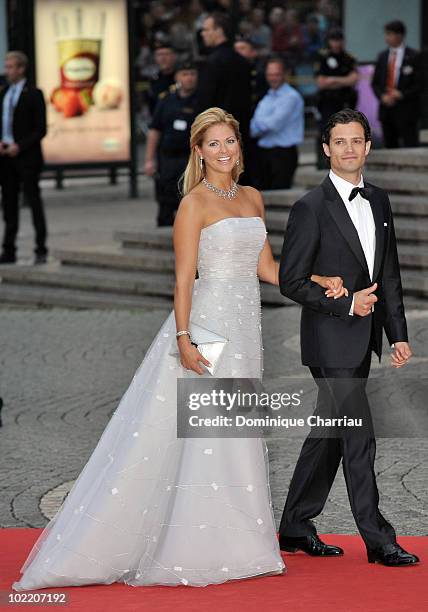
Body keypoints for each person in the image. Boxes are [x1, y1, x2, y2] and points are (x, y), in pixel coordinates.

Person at [12, 107, 347, 590]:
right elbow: (183, 281)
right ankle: (193, 545)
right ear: (198, 151)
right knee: (198, 434)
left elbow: (269, 269)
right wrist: (184, 338)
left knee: (235, 431)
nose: (223, 151)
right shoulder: (193, 204)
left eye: (229, 141)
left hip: (246, 328)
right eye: (212, 144)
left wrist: (316, 278)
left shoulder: (252, 198)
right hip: (208, 327)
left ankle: (239, 542)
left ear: (239, 145)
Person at [278, 109, 420, 567]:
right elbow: (291, 280)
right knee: (360, 436)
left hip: (364, 339)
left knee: (329, 435)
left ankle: (296, 525)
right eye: (339, 142)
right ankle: (379, 540)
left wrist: (397, 333)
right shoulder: (309, 207)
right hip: (329, 340)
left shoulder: (379, 200)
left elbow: (389, 274)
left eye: (356, 141)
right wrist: (345, 303)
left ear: (368, 147)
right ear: (325, 148)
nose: (349, 149)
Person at [0, 51, 48, 265]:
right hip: (5, 157)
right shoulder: (4, 93)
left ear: (21, 69)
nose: (7, 71)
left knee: (33, 201)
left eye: (11, 67)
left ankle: (41, 247)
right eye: (6, 66)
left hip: (26, 157)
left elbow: (40, 129)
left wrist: (19, 146)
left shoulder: (33, 94)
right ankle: (8, 249)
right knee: (9, 204)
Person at [197, 12, 252, 182]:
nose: (202, 33)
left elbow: (205, 103)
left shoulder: (213, 62)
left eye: (206, 29)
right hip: (239, 134)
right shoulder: (242, 62)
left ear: (218, 31)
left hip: (216, 135)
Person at [144, 60, 198, 227]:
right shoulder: (167, 99)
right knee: (165, 199)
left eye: (192, 74)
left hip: (189, 157)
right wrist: (149, 159)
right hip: (167, 158)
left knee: (188, 199)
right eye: (184, 74)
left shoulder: (202, 100)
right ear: (177, 77)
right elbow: (155, 130)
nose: (189, 78)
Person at [250, 56, 304, 189]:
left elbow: (273, 124)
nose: (273, 78)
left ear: (285, 74)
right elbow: (255, 121)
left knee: (279, 195)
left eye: (277, 74)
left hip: (283, 154)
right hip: (264, 153)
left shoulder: (291, 97)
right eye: (270, 75)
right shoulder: (267, 96)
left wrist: (257, 126)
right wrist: (258, 126)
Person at [371, 20, 422, 148]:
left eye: (389, 34)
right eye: (386, 34)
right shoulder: (382, 56)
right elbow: (375, 83)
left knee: (410, 145)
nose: (386, 38)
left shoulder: (414, 56)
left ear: (399, 35)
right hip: (387, 109)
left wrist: (401, 94)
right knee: (389, 145)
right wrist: (382, 96)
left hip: (407, 110)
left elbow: (420, 84)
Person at [314, 28, 358, 168]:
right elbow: (321, 82)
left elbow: (353, 80)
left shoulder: (348, 58)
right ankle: (324, 163)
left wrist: (333, 80)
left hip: (344, 101)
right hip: (328, 102)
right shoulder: (323, 57)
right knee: (326, 132)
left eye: (339, 40)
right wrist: (342, 81)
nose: (336, 44)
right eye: (333, 40)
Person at [147, 44, 177, 116]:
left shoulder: (182, 77)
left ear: (174, 57)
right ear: (155, 58)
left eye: (167, 54)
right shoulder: (153, 79)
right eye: (159, 55)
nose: (163, 58)